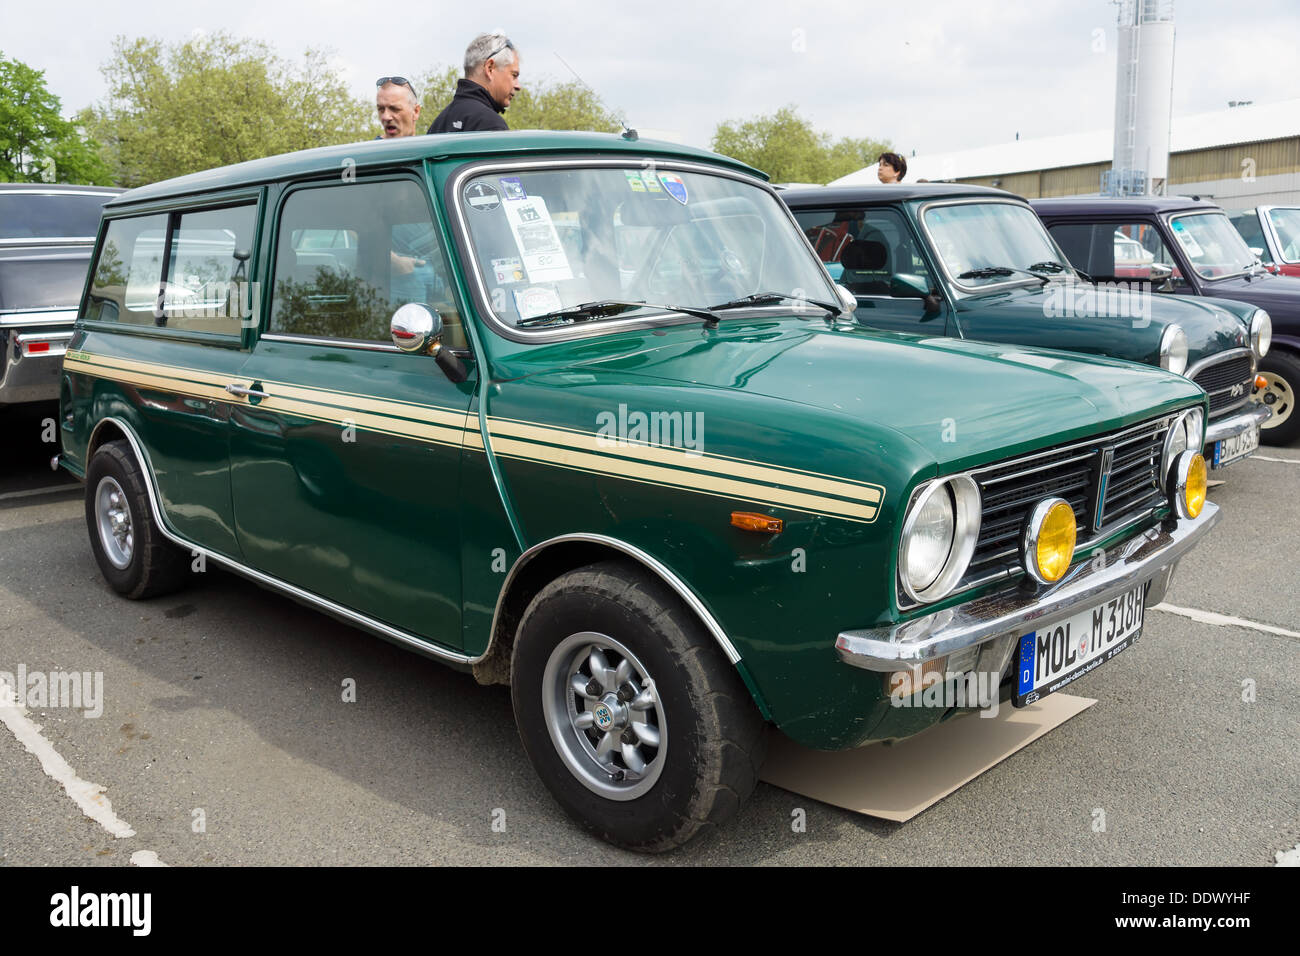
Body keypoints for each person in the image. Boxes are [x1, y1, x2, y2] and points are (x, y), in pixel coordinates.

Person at [427, 32, 521, 133]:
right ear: (490, 68)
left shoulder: (438, 124)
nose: (518, 86)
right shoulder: (491, 126)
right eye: (514, 75)